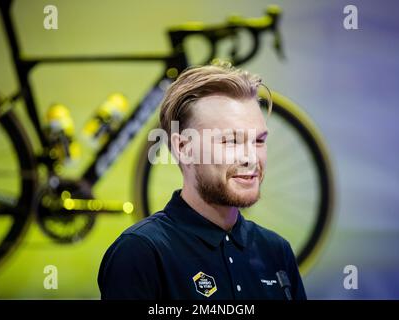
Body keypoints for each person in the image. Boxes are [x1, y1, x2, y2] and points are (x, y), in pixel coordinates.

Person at [98, 61, 307, 300]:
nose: (251, 158)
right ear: (184, 147)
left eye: (259, 141)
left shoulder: (276, 251)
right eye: (231, 141)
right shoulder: (141, 253)